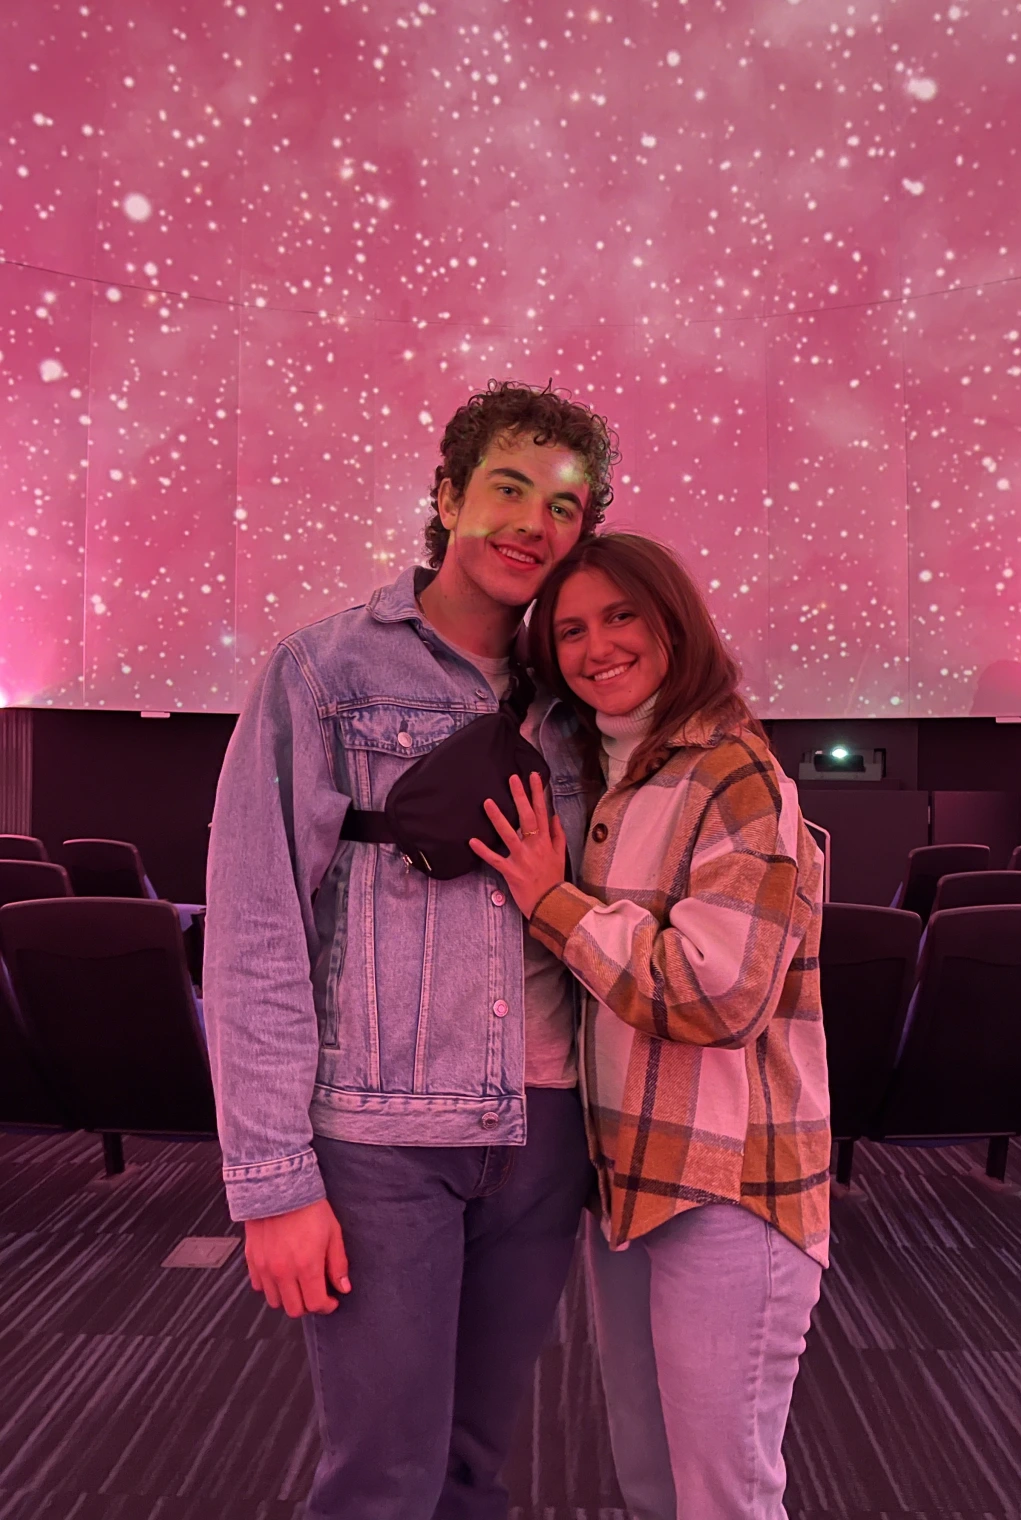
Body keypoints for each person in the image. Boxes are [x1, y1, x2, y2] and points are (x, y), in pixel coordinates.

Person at [203, 381, 618, 1519]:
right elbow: (253, 933)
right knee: (381, 1474)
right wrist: (272, 1181)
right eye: (510, 488)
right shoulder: (325, 672)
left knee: (474, 1466)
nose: (537, 521)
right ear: (447, 496)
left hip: (545, 1128)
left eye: (567, 505)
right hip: (383, 1140)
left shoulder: (582, 696)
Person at [469, 531, 830, 1520]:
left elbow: (718, 995)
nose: (597, 646)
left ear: (674, 621)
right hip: (631, 1183)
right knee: (655, 1482)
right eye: (572, 629)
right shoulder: (613, 779)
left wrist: (556, 902)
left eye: (620, 615)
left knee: (722, 1493)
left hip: (731, 1187)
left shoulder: (734, 776)